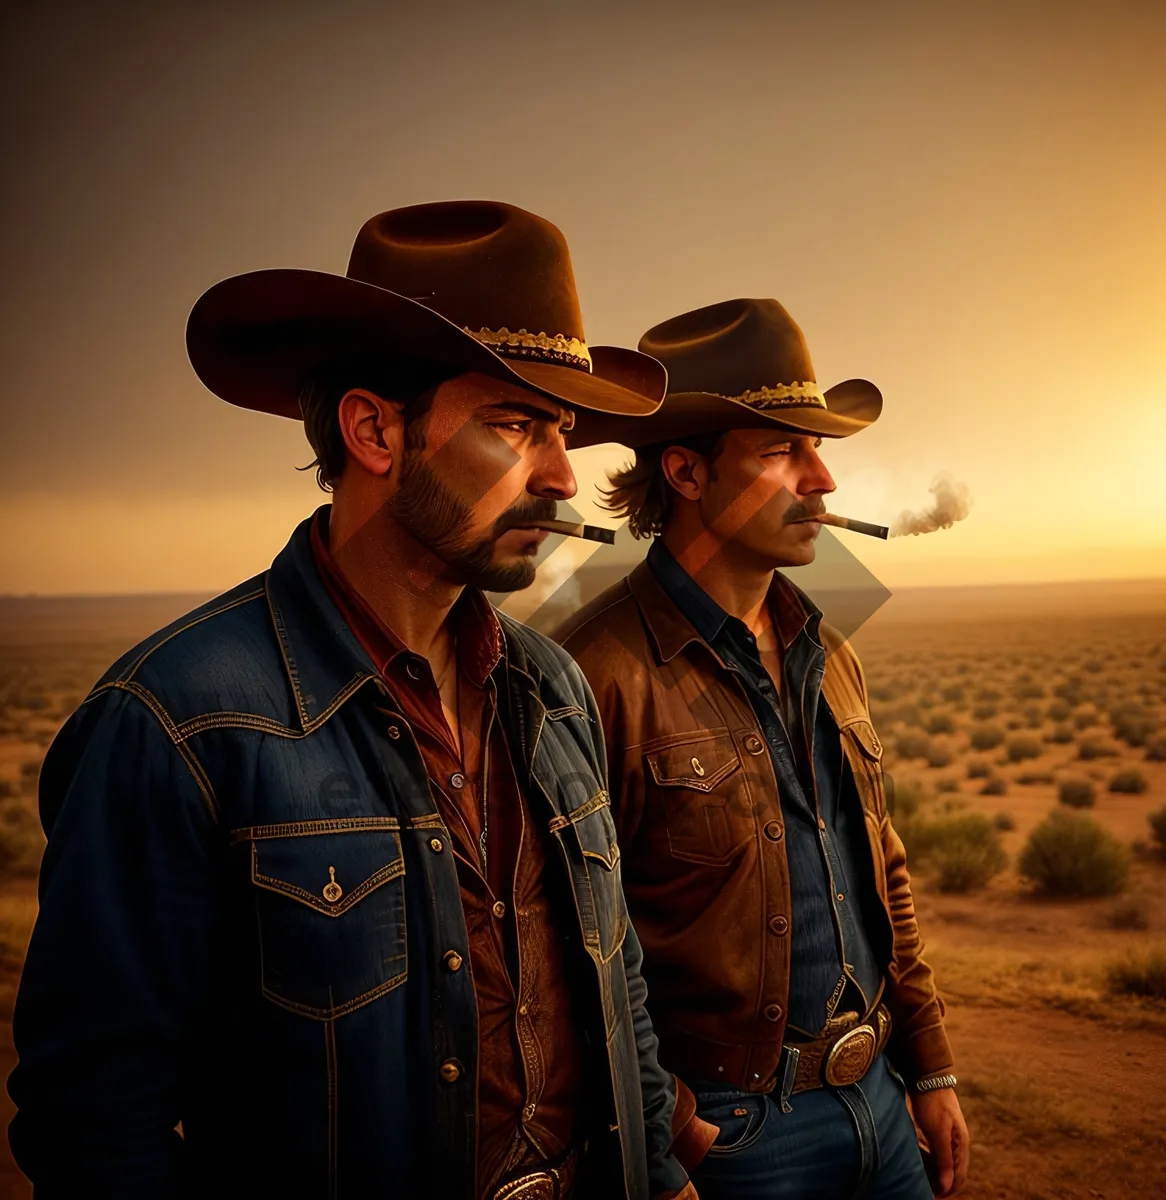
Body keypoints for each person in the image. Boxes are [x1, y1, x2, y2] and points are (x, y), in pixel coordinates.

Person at [8, 200, 702, 1200]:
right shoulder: (176, 722)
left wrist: (664, 1171)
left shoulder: (551, 688)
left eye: (561, 433)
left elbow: (613, 975)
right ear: (374, 430)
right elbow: (95, 1116)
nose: (560, 475)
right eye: (516, 425)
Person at [554, 298, 971, 1199]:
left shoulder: (832, 650)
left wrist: (928, 1066)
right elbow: (568, 944)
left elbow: (880, 869)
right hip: (733, 1139)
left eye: (817, 452)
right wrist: (670, 1136)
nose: (821, 481)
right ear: (688, 473)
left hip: (880, 1101)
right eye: (783, 450)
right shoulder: (595, 673)